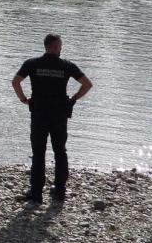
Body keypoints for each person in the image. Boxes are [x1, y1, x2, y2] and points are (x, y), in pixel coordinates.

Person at [12, 34, 93, 203]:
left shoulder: (32, 64)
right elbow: (87, 84)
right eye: (60, 46)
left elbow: (16, 82)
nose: (61, 48)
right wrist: (74, 99)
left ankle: (36, 194)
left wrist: (24, 100)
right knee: (60, 151)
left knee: (38, 152)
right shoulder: (67, 66)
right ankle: (60, 191)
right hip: (59, 113)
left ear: (45, 46)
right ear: (55, 46)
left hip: (39, 112)